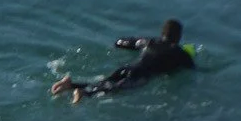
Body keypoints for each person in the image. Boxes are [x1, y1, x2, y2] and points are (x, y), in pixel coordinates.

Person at [51, 20, 194, 102]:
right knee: (115, 89)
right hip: (141, 75)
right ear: (178, 36)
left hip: (128, 67)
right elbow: (192, 69)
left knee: (105, 82)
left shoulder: (149, 42)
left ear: (162, 33)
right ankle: (83, 94)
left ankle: (70, 85)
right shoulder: (179, 53)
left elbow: (120, 42)